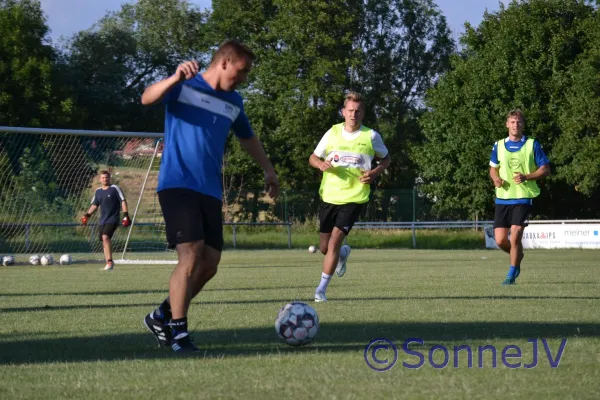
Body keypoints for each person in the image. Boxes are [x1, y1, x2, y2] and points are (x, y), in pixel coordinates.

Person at [140, 40, 279, 353]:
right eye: (242, 71)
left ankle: (162, 315)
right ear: (225, 62)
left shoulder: (234, 102)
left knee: (210, 264)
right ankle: (178, 334)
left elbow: (248, 138)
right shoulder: (184, 85)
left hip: (209, 189)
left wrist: (269, 170)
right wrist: (175, 78)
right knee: (190, 254)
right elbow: (146, 98)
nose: (244, 78)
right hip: (177, 183)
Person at [309, 92, 391, 302]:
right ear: (343, 112)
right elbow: (313, 157)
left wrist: (374, 172)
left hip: (355, 197)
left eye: (358, 111)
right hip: (330, 195)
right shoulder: (332, 133)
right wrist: (321, 164)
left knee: (335, 242)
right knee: (325, 248)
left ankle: (320, 291)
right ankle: (343, 254)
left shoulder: (371, 136)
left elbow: (386, 158)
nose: (354, 114)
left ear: (363, 113)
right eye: (350, 110)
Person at [489, 109, 550, 285]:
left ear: (523, 125)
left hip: (523, 196)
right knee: (500, 240)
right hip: (503, 197)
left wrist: (527, 176)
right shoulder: (499, 145)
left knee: (515, 236)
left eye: (519, 122)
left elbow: (545, 169)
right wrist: (495, 178)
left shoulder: (532, 144)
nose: (516, 125)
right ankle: (518, 255)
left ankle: (511, 275)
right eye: (513, 122)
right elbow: (493, 167)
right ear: (507, 124)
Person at [81, 170, 130, 271]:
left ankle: (110, 262)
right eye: (103, 178)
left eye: (106, 177)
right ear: (100, 179)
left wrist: (126, 215)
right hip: (102, 220)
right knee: (104, 240)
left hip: (113, 218)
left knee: (105, 236)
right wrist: (86, 215)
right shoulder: (98, 191)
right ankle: (108, 262)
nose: (105, 179)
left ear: (109, 178)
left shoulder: (114, 189)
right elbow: (94, 205)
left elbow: (123, 201)